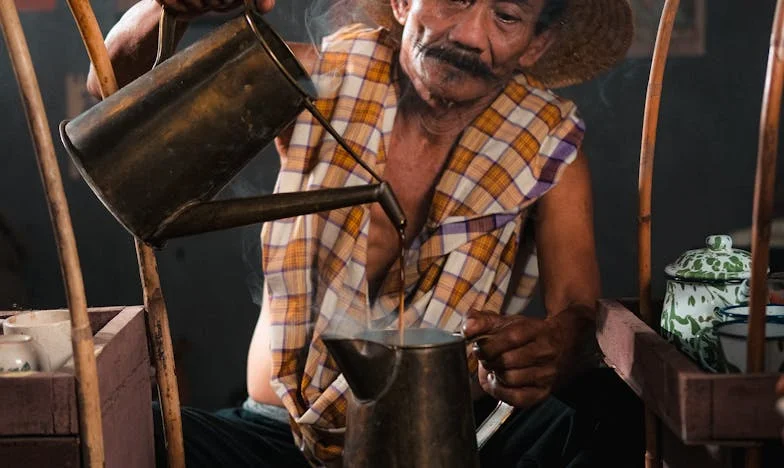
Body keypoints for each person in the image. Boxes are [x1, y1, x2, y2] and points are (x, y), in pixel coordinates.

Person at [87, 0, 639, 466]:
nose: (470, 35)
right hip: (274, 438)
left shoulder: (547, 147)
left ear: (536, 46)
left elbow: (576, 314)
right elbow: (113, 98)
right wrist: (165, 8)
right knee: (119, 434)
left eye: (507, 16)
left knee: (606, 409)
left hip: (452, 444)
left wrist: (550, 350)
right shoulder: (312, 80)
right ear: (402, 1)